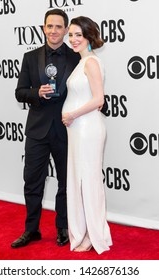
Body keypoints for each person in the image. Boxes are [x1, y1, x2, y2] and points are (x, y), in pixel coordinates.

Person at [11, 9, 80, 248]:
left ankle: (62, 227)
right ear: (43, 28)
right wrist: (36, 93)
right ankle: (31, 229)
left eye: (59, 27)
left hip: (66, 129)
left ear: (66, 29)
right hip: (37, 131)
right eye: (49, 26)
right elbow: (19, 92)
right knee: (32, 181)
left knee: (65, 182)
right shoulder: (30, 57)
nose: (53, 31)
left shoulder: (76, 58)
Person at [62, 16, 112, 254]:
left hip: (87, 129)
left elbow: (98, 100)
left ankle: (94, 235)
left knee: (89, 182)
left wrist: (72, 114)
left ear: (89, 37)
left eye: (77, 35)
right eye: (70, 34)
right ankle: (83, 232)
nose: (72, 39)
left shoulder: (90, 62)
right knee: (80, 182)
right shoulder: (81, 62)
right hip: (78, 130)